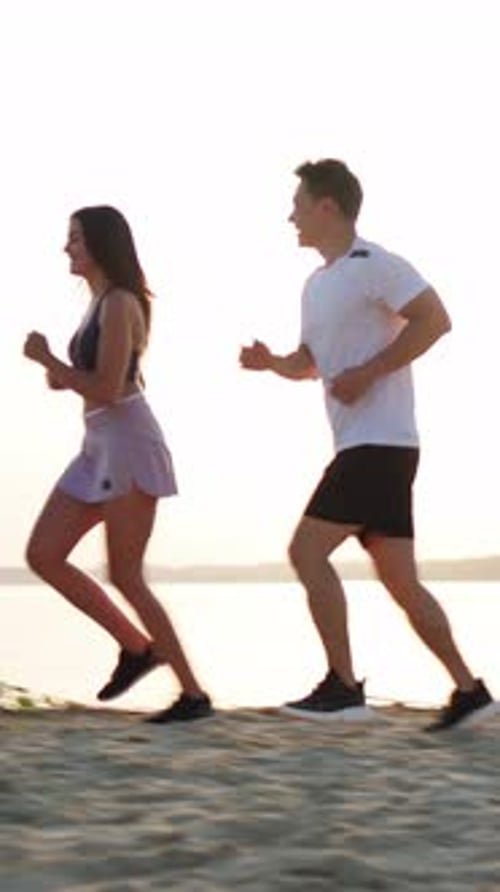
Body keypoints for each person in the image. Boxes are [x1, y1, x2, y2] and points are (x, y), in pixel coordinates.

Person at [240, 159, 495, 731]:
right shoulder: (316, 284)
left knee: (306, 552)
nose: (291, 217)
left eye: (299, 205)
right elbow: (309, 364)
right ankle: (470, 690)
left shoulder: (375, 264)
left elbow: (436, 319)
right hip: (368, 446)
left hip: (380, 445)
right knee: (401, 582)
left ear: (328, 207)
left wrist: (371, 371)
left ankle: (344, 687)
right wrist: (271, 364)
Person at [23, 205, 212, 724]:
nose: (67, 248)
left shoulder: (121, 302)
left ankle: (194, 695)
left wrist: (48, 361)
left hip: (127, 440)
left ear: (102, 244)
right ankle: (136, 647)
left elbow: (108, 390)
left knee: (127, 575)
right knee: (44, 553)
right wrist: (59, 373)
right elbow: (93, 378)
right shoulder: (98, 304)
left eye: (76, 239)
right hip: (97, 444)